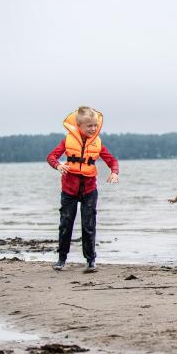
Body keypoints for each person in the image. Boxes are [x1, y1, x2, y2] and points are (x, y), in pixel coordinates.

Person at [46, 106, 119, 272]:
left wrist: (114, 172)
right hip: (69, 190)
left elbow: (112, 160)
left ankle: (91, 260)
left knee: (89, 225)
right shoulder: (67, 141)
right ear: (79, 126)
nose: (93, 129)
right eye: (89, 126)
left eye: (95, 125)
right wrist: (58, 165)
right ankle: (61, 259)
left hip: (89, 190)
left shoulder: (98, 143)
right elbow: (51, 157)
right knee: (66, 224)